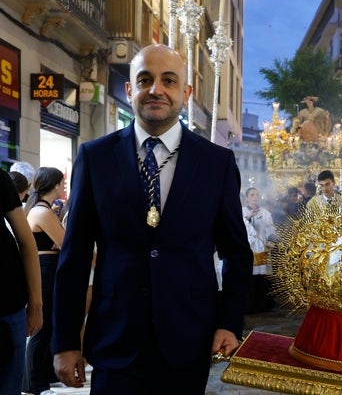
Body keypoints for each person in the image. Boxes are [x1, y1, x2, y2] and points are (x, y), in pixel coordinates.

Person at [51, 43, 253, 394]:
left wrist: (229, 323)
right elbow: (75, 257)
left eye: (168, 80)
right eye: (145, 80)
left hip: (189, 337)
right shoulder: (95, 157)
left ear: (185, 92)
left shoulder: (216, 163)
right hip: (115, 339)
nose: (156, 90)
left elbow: (236, 252)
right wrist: (65, 341)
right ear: (130, 90)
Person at [22, 167, 66, 395]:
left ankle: (44, 376)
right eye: (62, 182)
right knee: (41, 326)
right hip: (45, 270)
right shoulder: (42, 211)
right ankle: (34, 385)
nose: (64, 186)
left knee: (48, 325)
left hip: (48, 269)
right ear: (55, 184)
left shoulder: (45, 209)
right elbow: (65, 241)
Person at [0, 169, 42, 395]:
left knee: (8, 385)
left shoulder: (0, 179)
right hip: (9, 307)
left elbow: (26, 242)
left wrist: (36, 302)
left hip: (7, 305)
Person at [242, 187, 278, 313]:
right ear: (247, 198)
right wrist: (248, 217)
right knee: (249, 276)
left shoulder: (266, 213)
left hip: (262, 247)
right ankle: (249, 305)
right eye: (252, 195)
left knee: (262, 277)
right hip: (248, 248)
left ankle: (263, 304)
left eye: (257, 195)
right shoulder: (242, 212)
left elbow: (271, 230)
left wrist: (270, 242)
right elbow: (240, 229)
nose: (255, 197)